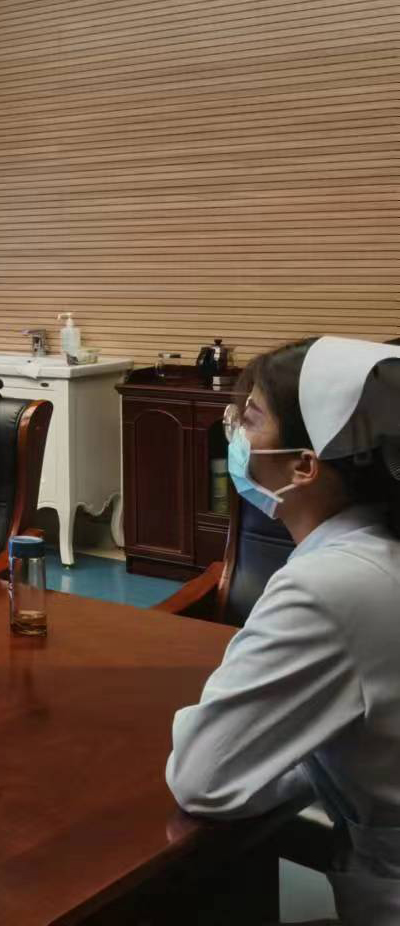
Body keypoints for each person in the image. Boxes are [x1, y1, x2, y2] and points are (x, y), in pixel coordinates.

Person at [167, 336, 400, 925]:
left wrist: (288, 749)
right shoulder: (376, 547)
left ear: (304, 465)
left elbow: (205, 779)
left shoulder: (328, 586)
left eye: (249, 419)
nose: (233, 434)